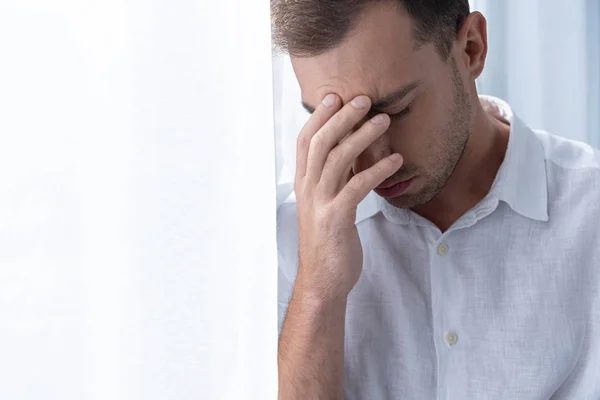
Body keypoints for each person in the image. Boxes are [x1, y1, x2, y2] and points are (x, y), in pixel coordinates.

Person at [273, 0, 600, 399]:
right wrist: (318, 290)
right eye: (332, 122)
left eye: (394, 110)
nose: (370, 160)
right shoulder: (284, 240)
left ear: (471, 49)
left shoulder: (591, 213)